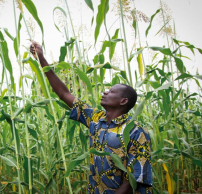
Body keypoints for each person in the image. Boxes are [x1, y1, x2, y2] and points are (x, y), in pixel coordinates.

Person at [30, 41, 153, 194]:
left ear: (123, 101)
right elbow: (64, 94)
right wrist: (41, 59)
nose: (105, 92)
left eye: (112, 91)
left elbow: (135, 178)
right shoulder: (96, 119)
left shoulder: (135, 130)